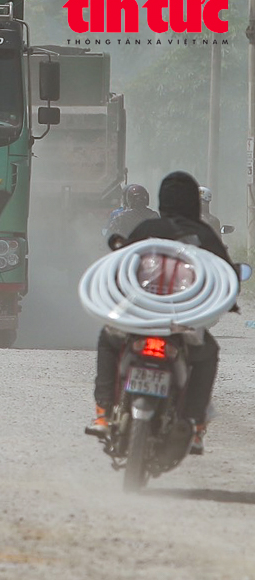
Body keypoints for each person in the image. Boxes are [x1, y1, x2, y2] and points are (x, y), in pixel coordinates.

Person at [88, 171, 235, 454]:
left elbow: (120, 263)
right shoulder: (203, 233)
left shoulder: (147, 228)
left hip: (141, 316)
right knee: (207, 355)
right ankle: (194, 425)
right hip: (182, 320)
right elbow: (224, 271)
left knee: (109, 339)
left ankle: (103, 414)